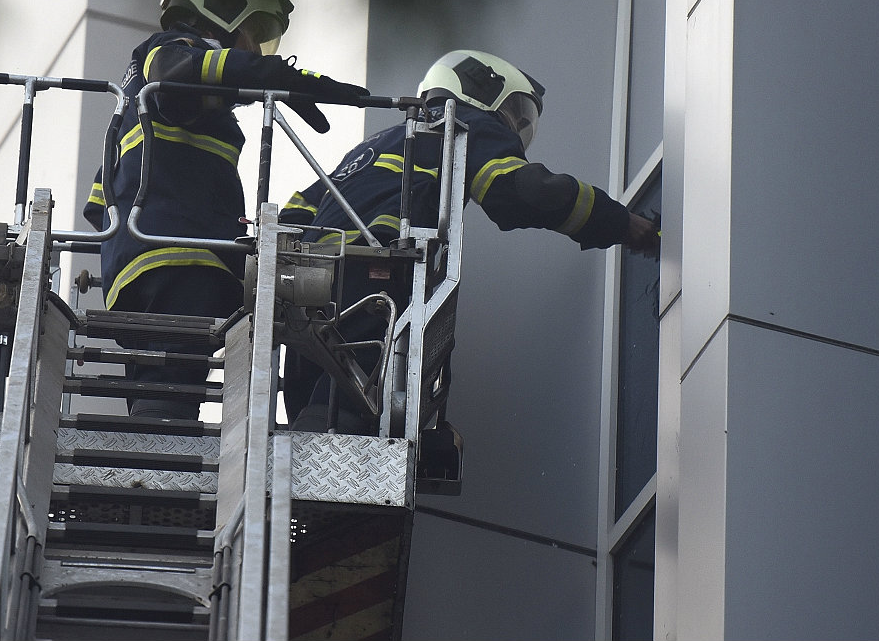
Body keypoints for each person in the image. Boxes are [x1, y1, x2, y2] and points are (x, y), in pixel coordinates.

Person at [279, 49, 659, 431]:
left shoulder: (378, 140)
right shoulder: (465, 122)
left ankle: (298, 460)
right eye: (515, 110)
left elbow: (296, 211)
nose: (514, 125)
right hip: (373, 272)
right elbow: (522, 191)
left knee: (317, 403)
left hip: (308, 282)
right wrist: (622, 223)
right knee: (357, 398)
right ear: (481, 86)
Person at [83, 0, 368, 421]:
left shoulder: (134, 108)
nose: (255, 48)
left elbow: (99, 205)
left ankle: (143, 473)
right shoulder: (167, 50)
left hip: (139, 264)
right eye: (252, 31)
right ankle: (156, 474)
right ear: (222, 10)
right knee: (171, 394)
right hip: (181, 257)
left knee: (159, 382)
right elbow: (180, 73)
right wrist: (283, 77)